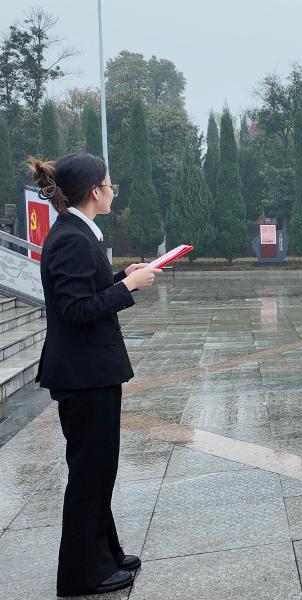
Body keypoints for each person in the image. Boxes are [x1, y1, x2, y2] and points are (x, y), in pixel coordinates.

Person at [29, 154, 161, 596]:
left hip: (90, 371)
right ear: (93, 192)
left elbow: (87, 289)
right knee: (90, 472)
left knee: (98, 469)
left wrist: (124, 276)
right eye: (109, 185)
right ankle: (83, 574)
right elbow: (75, 309)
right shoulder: (70, 237)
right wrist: (128, 288)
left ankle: (105, 552)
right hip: (83, 373)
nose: (111, 191)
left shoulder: (78, 233)